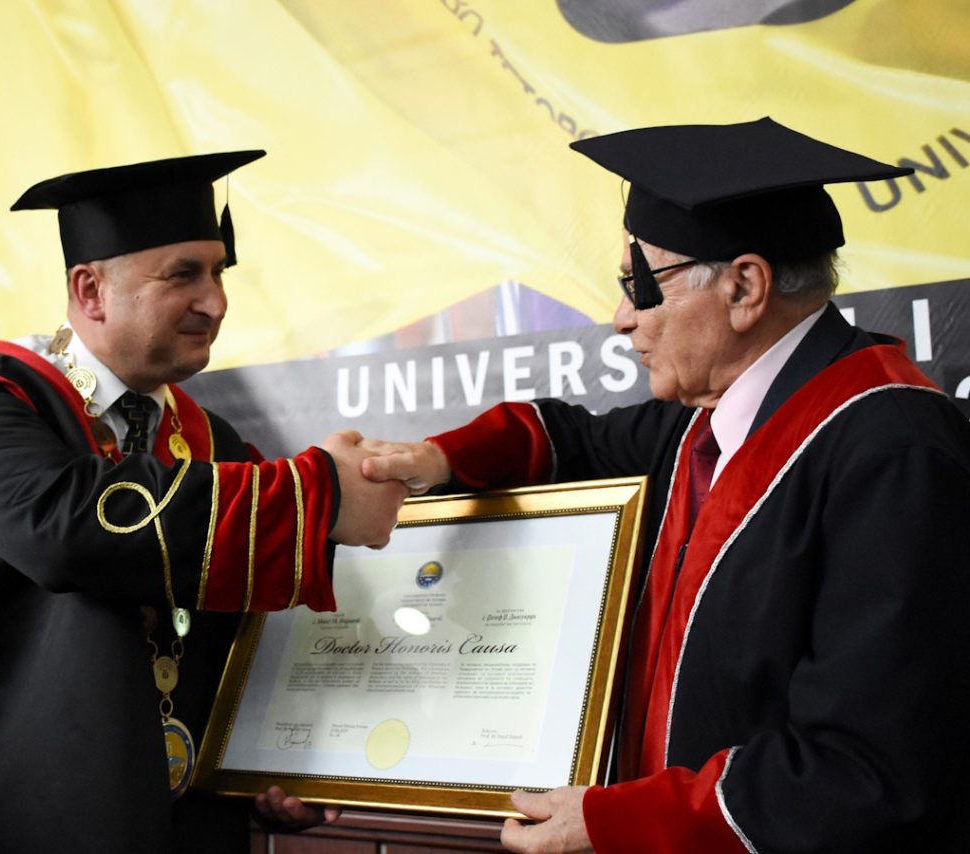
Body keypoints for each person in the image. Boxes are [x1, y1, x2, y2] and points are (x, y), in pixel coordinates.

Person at [359, 118, 970, 852]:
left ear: (744, 287)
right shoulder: (699, 426)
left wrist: (617, 821)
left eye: (640, 286)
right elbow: (570, 441)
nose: (621, 320)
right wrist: (436, 458)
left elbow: (869, 769)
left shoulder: (893, 452)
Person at [0, 150, 407, 853]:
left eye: (219, 272)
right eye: (184, 274)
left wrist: (273, 761)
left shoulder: (216, 443)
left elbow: (245, 635)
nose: (216, 302)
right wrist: (319, 495)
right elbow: (66, 528)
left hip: (180, 823)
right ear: (90, 290)